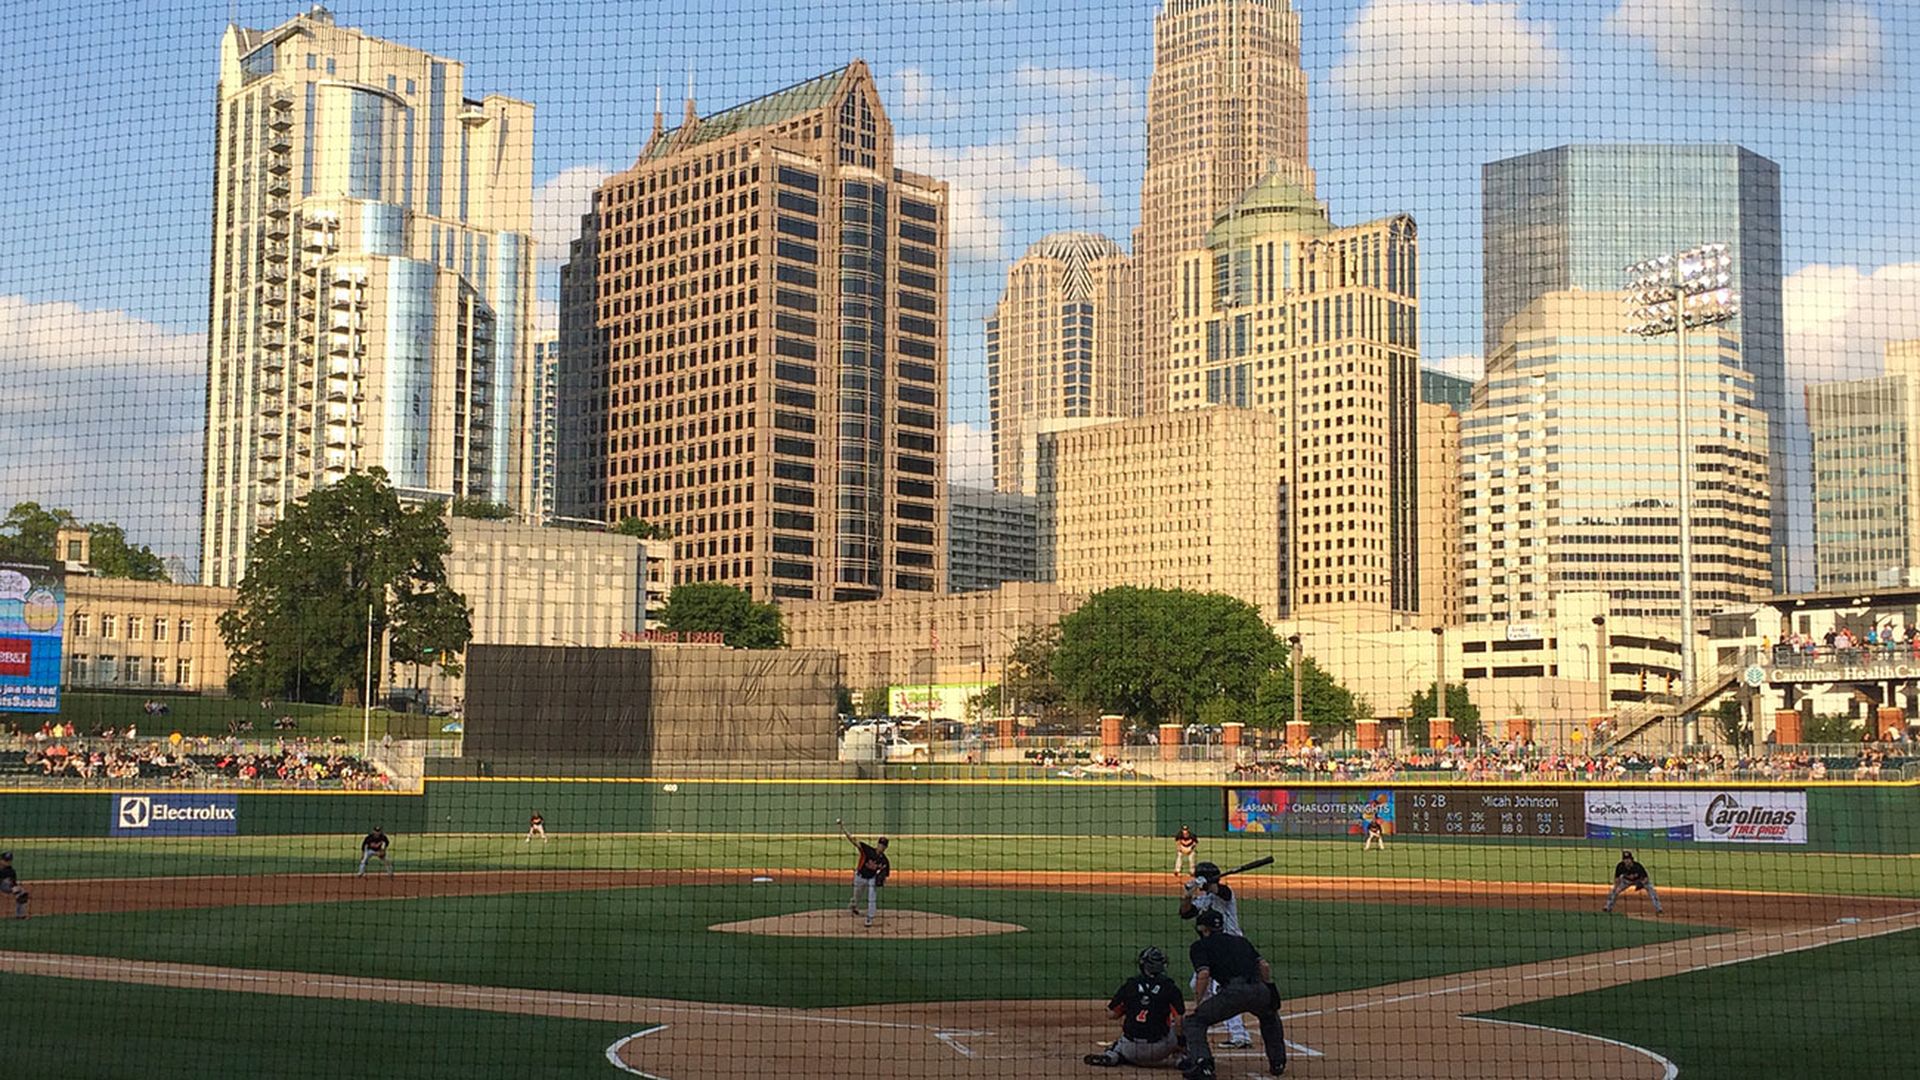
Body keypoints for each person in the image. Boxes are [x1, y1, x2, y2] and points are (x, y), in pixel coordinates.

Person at [1183, 908, 1286, 1078]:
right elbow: (1264, 966)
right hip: (1259, 990)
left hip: (1233, 994)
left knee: (1194, 1022)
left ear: (1203, 929)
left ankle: (1203, 1064)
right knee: (1269, 1016)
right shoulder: (1241, 941)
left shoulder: (1199, 946)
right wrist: (1268, 987)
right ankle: (1278, 1061)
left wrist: (1198, 1003)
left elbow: (1204, 974)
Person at [1179, 862, 1251, 1049]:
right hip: (1213, 949)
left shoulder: (1226, 894)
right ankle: (1203, 1020)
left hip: (1231, 949)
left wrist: (1207, 884)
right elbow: (1185, 912)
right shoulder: (1205, 899)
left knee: (1224, 990)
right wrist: (1188, 894)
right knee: (1197, 984)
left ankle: (1239, 1035)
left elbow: (1220, 890)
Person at [1085, 945, 1185, 1068]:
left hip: (1131, 1050)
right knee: (1185, 1025)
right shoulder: (1170, 987)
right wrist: (1180, 1042)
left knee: (1122, 1039)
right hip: (1160, 1051)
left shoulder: (1131, 985)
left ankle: (1113, 1055)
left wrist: (1131, 1005)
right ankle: (1181, 1059)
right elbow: (1179, 1020)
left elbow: (1112, 1014)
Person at [838, 819, 889, 926]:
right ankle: (854, 905)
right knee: (856, 896)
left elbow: (885, 873)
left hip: (871, 879)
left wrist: (882, 879)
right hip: (860, 877)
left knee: (872, 897)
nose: (882, 847)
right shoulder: (867, 850)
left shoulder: (885, 861)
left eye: (884, 845)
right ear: (878, 844)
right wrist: (843, 828)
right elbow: (853, 840)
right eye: (881, 844)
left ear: (886, 847)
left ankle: (869, 918)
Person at [1603, 849, 1661, 914]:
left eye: (1628, 859)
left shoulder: (1638, 866)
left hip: (1639, 880)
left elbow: (1646, 878)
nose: (1627, 861)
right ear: (1623, 860)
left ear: (1631, 859)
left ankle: (1658, 908)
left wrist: (1641, 884)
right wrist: (1616, 888)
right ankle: (1608, 907)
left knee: (1651, 889)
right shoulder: (1620, 866)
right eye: (1625, 859)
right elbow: (1617, 879)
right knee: (1614, 891)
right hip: (1626, 881)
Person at [0, 851, 28, 920]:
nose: (8, 862)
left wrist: (16, 890)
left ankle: (20, 915)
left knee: (22, 894)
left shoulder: (11, 871)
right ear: (1, 860)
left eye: (9, 860)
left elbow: (13, 883)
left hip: (4, 886)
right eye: (6, 860)